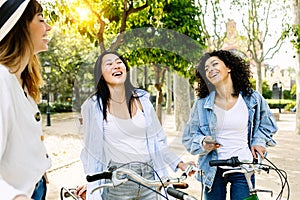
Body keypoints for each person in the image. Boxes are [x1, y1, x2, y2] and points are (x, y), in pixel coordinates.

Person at [78, 51, 194, 200]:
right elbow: (91, 151)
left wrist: (180, 164)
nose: (116, 66)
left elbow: (158, 141)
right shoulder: (93, 106)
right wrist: (92, 183)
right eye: (109, 64)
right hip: (119, 181)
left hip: (151, 178)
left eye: (119, 62)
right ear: (100, 74)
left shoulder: (143, 100)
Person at [182, 50, 278, 200]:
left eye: (214, 64)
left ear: (229, 67)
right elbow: (189, 136)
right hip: (212, 169)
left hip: (243, 166)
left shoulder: (252, 98)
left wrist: (258, 142)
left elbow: (268, 125)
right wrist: (203, 142)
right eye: (206, 69)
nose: (210, 70)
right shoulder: (202, 104)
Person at [0, 0, 52, 199]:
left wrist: (40, 169)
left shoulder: (23, 83)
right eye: (41, 19)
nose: (48, 27)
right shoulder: (2, 80)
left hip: (35, 189)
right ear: (19, 26)